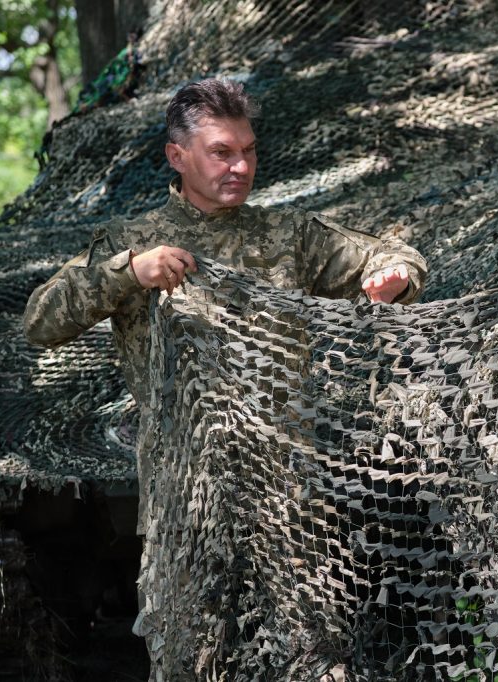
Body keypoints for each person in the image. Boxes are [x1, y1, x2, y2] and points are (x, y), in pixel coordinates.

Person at [23, 78, 428, 535]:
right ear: (177, 156)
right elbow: (40, 321)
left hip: (290, 495)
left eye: (249, 151)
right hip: (183, 500)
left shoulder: (289, 234)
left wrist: (393, 280)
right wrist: (129, 274)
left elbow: (395, 257)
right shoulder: (133, 242)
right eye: (222, 152)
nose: (241, 166)